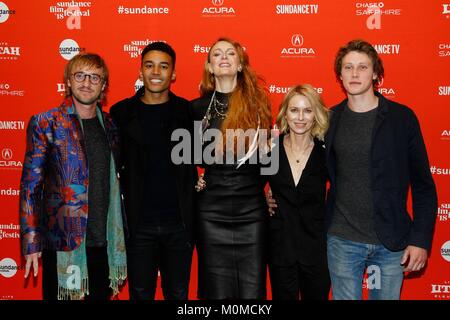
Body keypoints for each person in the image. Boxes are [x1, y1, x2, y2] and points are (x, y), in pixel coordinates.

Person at [325, 39, 437, 300]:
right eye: (348, 67)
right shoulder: (328, 119)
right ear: (339, 75)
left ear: (376, 73)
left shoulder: (402, 119)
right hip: (342, 240)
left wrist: (420, 240)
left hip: (392, 243)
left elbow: (423, 187)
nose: (354, 74)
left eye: (362, 67)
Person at [19, 53, 127, 300]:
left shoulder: (110, 125)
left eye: (94, 77)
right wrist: (32, 242)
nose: (86, 82)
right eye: (80, 75)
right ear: (68, 81)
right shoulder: (46, 123)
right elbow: (30, 187)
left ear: (103, 86)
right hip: (63, 242)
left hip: (104, 243)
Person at [110, 42, 196, 300]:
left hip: (179, 225)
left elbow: (212, 156)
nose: (156, 71)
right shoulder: (121, 113)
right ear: (140, 72)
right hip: (138, 227)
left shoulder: (188, 112)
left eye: (163, 65)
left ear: (174, 74)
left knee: (178, 295)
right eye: (149, 65)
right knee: (139, 294)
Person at [191, 37, 272, 299]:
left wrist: (272, 194)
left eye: (230, 53)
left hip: (251, 208)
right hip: (211, 209)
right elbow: (188, 157)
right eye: (217, 54)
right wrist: (196, 179)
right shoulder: (196, 108)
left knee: (252, 289)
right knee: (216, 290)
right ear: (210, 67)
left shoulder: (259, 104)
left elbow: (268, 160)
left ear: (239, 65)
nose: (223, 57)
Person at [266, 84, 330, 300]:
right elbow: (248, 185)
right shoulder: (270, 149)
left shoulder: (326, 153)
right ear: (285, 113)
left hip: (317, 249)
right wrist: (261, 201)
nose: (300, 117)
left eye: (307, 110)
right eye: (294, 110)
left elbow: (346, 187)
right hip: (280, 248)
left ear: (316, 115)